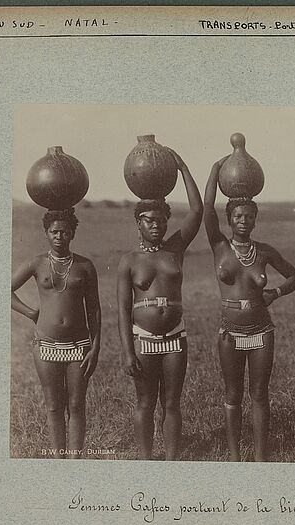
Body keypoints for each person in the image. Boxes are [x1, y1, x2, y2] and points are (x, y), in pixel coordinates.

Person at [204, 157, 295, 462]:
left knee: (259, 394)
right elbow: (207, 211)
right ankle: (234, 457)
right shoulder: (219, 246)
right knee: (233, 395)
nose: (243, 221)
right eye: (237, 216)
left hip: (262, 330)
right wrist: (213, 172)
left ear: (255, 220)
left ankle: (261, 458)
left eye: (248, 216)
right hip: (230, 331)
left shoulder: (265, 252)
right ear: (229, 219)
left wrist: (275, 292)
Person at [117, 149, 202, 461]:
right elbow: (124, 310)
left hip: (175, 338)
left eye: (162, 220)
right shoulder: (129, 261)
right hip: (143, 339)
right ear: (138, 222)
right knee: (145, 402)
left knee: (172, 402)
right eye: (149, 220)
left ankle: (170, 461)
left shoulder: (174, 250)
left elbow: (196, 211)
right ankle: (146, 460)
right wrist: (127, 352)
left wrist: (182, 167)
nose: (157, 225)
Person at [11, 208, 101, 459]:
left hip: (79, 346)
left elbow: (94, 308)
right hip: (46, 345)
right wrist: (30, 313)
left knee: (76, 405)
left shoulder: (85, 266)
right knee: (53, 406)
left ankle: (74, 460)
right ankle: (58, 461)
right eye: (54, 231)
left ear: (72, 233)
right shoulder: (37, 263)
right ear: (46, 233)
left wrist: (95, 347)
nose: (59, 236)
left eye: (64, 231)